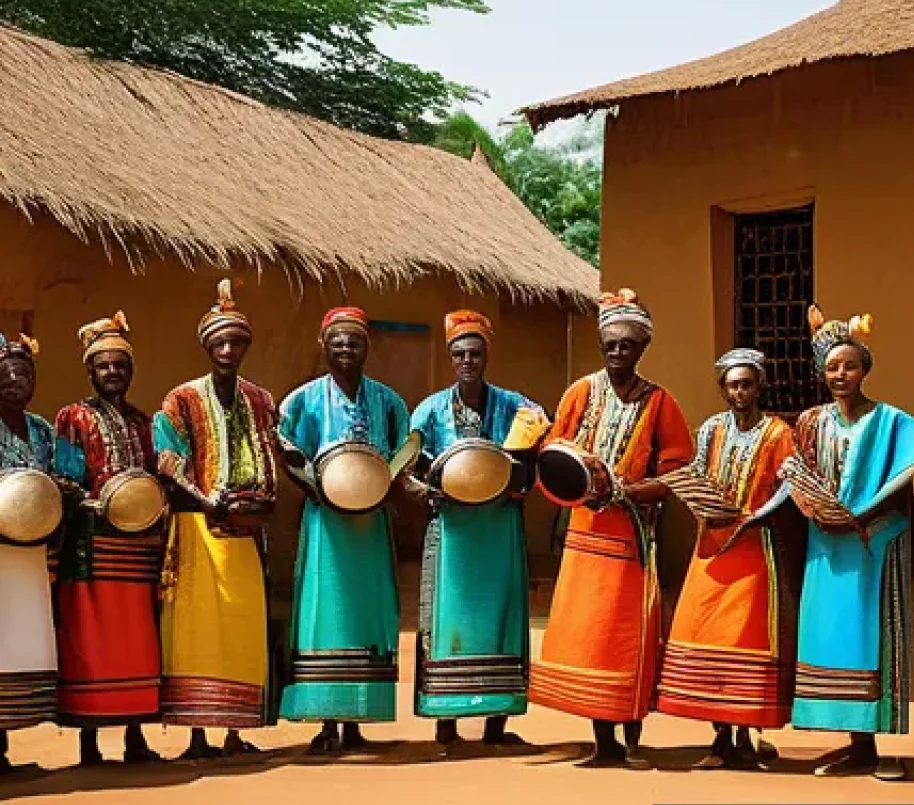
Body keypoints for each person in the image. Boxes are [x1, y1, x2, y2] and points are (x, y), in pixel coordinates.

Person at [529, 289, 693, 767]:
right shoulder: (581, 393)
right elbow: (554, 454)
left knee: (631, 634)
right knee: (591, 634)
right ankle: (603, 740)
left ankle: (633, 737)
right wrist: (587, 483)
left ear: (642, 349)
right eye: (610, 345)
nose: (618, 352)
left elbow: (677, 471)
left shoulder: (660, 403)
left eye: (627, 345)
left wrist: (630, 492)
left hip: (634, 537)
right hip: (585, 535)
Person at [789, 306, 914, 779]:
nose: (841, 374)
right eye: (832, 366)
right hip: (827, 544)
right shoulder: (810, 423)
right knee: (832, 638)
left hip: (876, 544)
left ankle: (876, 740)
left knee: (872, 637)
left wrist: (867, 509)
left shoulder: (894, 421)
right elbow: (794, 473)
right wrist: (814, 507)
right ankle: (856, 745)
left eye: (850, 365)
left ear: (866, 369)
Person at [656, 349, 804, 769]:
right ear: (722, 389)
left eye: (747, 383)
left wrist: (756, 517)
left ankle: (744, 734)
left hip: (754, 547)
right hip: (712, 545)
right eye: (732, 384)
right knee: (704, 633)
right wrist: (700, 503)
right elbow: (699, 473)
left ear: (759, 385)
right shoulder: (711, 429)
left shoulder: (778, 433)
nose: (739, 391)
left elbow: (789, 484)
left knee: (748, 639)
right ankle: (719, 735)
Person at [154, 280, 278, 760]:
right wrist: (208, 502)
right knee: (198, 630)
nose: (228, 350)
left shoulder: (261, 400)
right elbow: (168, 459)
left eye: (237, 342)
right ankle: (197, 732)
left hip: (245, 532)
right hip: (198, 529)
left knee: (243, 627)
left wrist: (260, 501)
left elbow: (271, 452)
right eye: (220, 342)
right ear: (207, 347)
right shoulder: (181, 400)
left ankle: (234, 728)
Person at [277, 307, 409, 754]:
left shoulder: (388, 402)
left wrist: (384, 488)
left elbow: (404, 453)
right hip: (327, 524)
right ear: (324, 346)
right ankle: (329, 720)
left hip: (370, 525)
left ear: (367, 347)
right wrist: (316, 489)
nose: (346, 349)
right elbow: (287, 450)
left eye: (354, 341)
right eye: (338, 341)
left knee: (366, 613)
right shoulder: (303, 400)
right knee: (327, 612)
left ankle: (359, 717)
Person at [407, 311, 539, 748]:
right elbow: (403, 467)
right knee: (448, 618)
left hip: (499, 527)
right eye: (460, 354)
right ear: (451, 359)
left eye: (475, 353)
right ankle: (446, 721)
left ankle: (496, 725)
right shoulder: (428, 411)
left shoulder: (516, 406)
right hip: (453, 532)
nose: (468, 360)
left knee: (500, 616)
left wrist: (522, 485)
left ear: (487, 356)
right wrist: (427, 492)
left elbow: (537, 452)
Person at [54, 312, 163, 765]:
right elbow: (64, 476)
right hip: (92, 545)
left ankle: (135, 734)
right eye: (104, 366)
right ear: (90, 372)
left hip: (136, 547)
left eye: (121, 364)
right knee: (92, 638)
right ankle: (89, 742)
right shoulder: (73, 417)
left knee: (137, 638)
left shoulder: (142, 422)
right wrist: (93, 502)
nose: (113, 372)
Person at [0, 333, 68, 772]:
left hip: (31, 552)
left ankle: (5, 744)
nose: (14, 381)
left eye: (23, 373)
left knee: (18, 644)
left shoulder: (43, 430)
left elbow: (55, 480)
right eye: (4, 374)